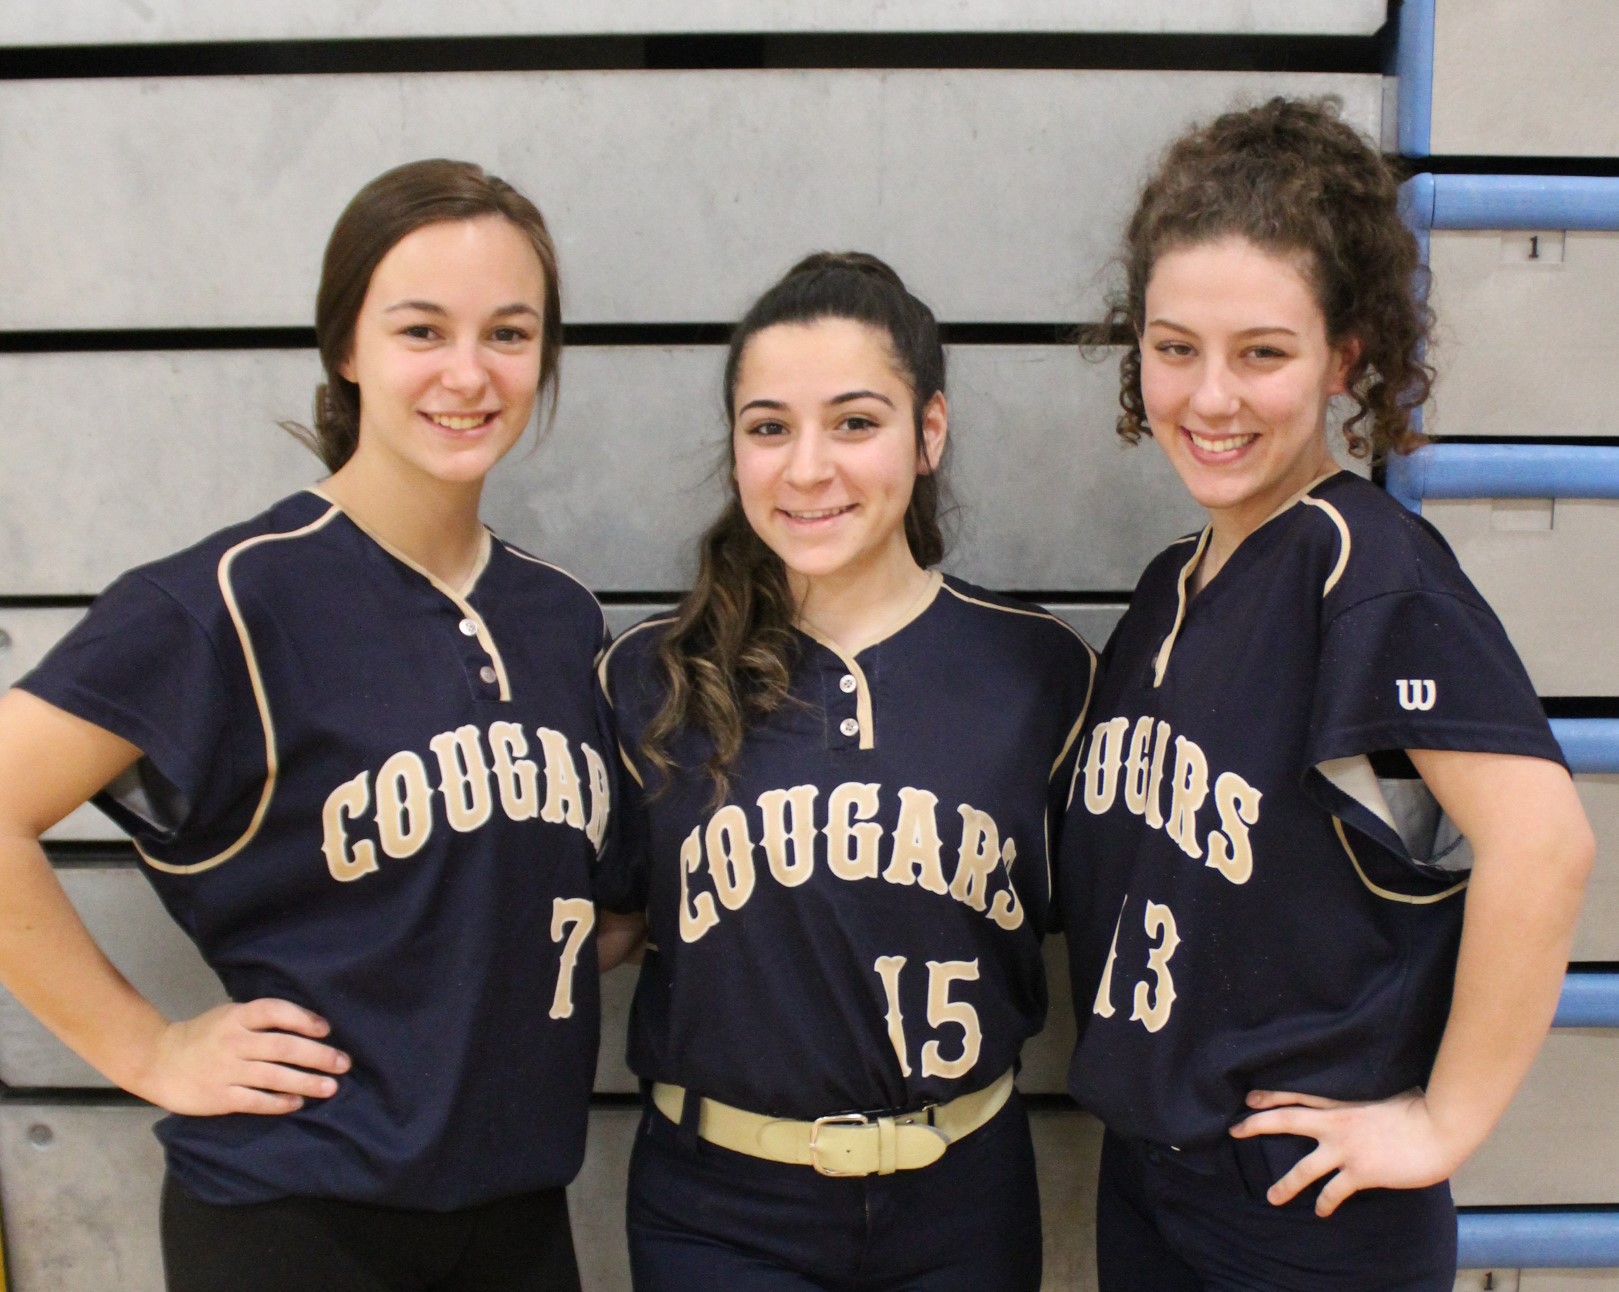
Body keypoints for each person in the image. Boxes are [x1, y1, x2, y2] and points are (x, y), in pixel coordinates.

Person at [0, 159, 610, 1292]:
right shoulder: (231, 596)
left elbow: (557, 904)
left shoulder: (562, 616)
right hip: (300, 1215)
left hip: (522, 1210)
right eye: (421, 329)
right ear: (346, 347)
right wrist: (144, 1047)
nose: (469, 373)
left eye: (509, 333)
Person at [1057, 97, 1595, 1291]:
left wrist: (1440, 1123)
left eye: (1261, 351)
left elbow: (1544, 846)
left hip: (1301, 1208)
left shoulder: (1364, 570)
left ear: (1343, 354)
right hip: (1152, 1176)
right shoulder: (1167, 589)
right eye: (1173, 345)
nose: (1209, 396)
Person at [595, 252, 1096, 1291]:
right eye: (768, 425)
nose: (806, 466)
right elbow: (573, 927)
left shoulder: (1040, 671)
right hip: (720, 1205)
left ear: (929, 433)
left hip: (964, 1192)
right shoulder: (648, 676)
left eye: (854, 422)